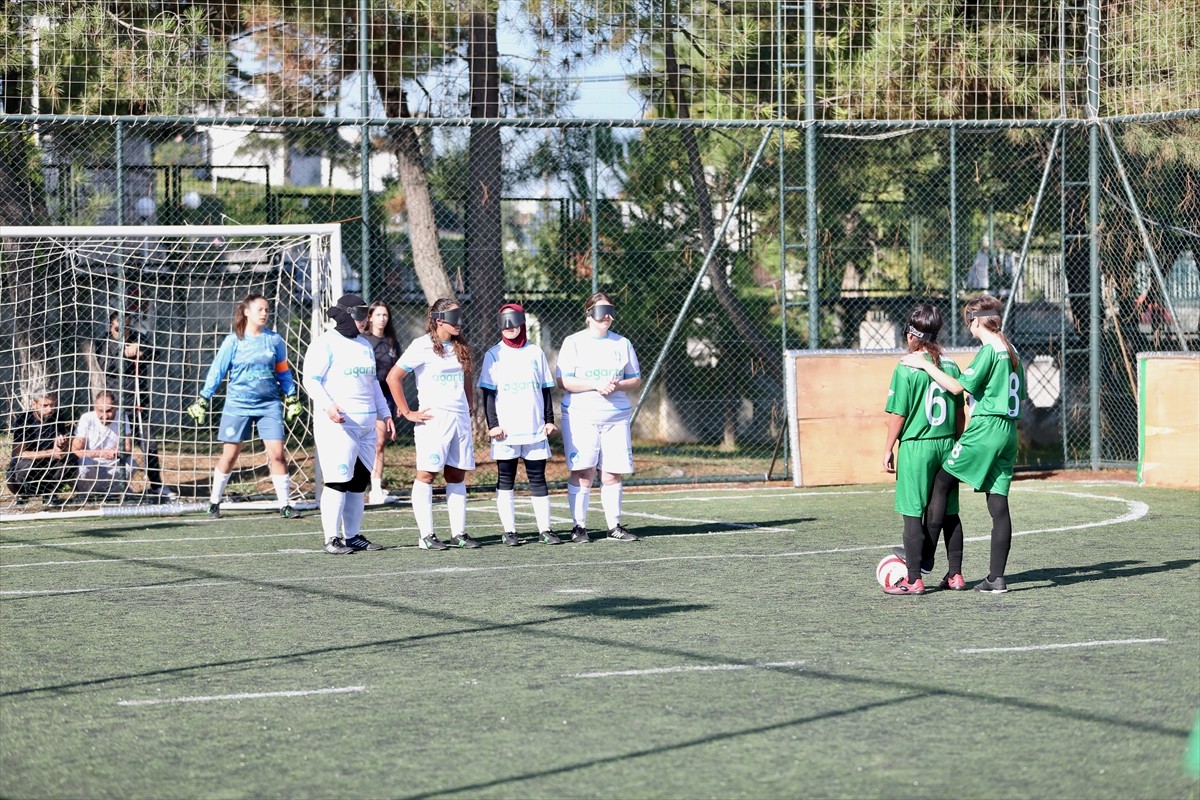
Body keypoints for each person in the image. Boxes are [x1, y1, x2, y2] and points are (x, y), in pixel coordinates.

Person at [901, 294, 1025, 593]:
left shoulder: (989, 350)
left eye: (969, 320)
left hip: (986, 429)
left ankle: (924, 559)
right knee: (998, 505)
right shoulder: (1011, 349)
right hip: (1009, 432)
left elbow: (957, 387)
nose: (968, 326)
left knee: (941, 482)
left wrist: (924, 364)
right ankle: (996, 578)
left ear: (976, 321)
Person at [186, 293, 305, 519]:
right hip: (238, 405)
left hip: (269, 404)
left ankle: (285, 505)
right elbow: (217, 371)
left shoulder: (274, 340)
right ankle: (214, 502)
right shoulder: (233, 341)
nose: (264, 313)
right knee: (230, 456)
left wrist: (291, 396)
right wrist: (203, 398)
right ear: (247, 312)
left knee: (278, 455)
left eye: (267, 310)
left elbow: (283, 371)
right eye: (260, 309)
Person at [882, 304, 967, 595]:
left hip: (917, 446)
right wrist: (957, 443)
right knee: (950, 513)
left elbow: (899, 414)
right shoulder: (951, 366)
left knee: (912, 513)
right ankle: (955, 575)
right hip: (947, 444)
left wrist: (888, 448)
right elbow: (960, 413)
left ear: (910, 335)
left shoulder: (906, 367)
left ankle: (914, 579)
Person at [302, 294, 394, 554]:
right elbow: (311, 380)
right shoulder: (325, 343)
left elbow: (373, 384)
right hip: (339, 426)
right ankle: (332, 538)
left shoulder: (364, 345)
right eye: (361, 315)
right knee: (337, 481)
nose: (365, 320)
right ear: (345, 316)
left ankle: (352, 536)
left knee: (358, 482)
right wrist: (329, 406)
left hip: (367, 426)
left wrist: (385, 414)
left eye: (367, 315)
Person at [386, 298, 477, 551]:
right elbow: (393, 377)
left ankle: (458, 534)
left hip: (459, 419)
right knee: (427, 474)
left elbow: (466, 375)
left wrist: (469, 402)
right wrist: (407, 412)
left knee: (456, 475)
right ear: (438, 320)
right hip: (434, 421)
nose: (459, 322)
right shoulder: (422, 345)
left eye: (460, 316)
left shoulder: (460, 346)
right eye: (453, 317)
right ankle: (426, 536)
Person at [556, 292, 641, 542]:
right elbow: (563, 380)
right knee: (584, 472)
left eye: (610, 312)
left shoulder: (622, 343)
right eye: (601, 312)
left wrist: (617, 385)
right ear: (588, 314)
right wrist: (595, 384)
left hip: (616, 418)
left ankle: (614, 526)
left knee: (612, 473)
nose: (607, 317)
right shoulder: (573, 342)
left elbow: (635, 379)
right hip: (581, 416)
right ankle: (579, 527)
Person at [479, 303, 558, 546]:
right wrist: (493, 424)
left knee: (538, 478)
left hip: (534, 429)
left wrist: (549, 420)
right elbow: (488, 394)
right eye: (504, 323)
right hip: (506, 432)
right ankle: (510, 531)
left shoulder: (535, 352)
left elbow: (545, 389)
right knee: (506, 478)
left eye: (513, 321)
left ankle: (545, 530)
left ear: (522, 323)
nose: (509, 327)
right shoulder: (494, 354)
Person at [96, 311, 176, 500]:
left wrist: (141, 350)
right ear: (111, 327)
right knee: (118, 444)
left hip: (139, 401)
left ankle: (156, 485)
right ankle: (116, 486)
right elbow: (107, 366)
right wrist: (125, 354)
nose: (123, 332)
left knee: (149, 442)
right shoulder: (103, 342)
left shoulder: (139, 338)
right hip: (116, 405)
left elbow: (156, 353)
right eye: (118, 328)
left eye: (127, 328)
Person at [6, 388, 76, 506]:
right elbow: (20, 453)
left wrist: (62, 445)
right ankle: (22, 495)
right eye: (45, 405)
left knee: (70, 460)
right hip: (27, 464)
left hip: (49, 464)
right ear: (34, 404)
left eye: (52, 405)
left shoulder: (57, 416)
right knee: (21, 467)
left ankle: (50, 494)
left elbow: (60, 449)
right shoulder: (23, 420)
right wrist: (51, 452)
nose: (50, 409)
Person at [362, 300, 399, 505]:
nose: (382, 319)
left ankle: (376, 489)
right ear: (370, 317)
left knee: (379, 442)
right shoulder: (363, 341)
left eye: (385, 315)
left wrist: (399, 401)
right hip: (367, 396)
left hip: (387, 397)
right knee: (367, 442)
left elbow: (398, 373)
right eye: (378, 315)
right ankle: (358, 483)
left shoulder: (392, 341)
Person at [71, 391, 134, 501]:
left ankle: (115, 491)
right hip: (93, 465)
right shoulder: (86, 418)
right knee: (85, 464)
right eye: (100, 411)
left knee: (132, 463)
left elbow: (128, 447)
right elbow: (75, 450)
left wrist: (116, 451)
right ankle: (84, 494)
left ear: (116, 407)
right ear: (95, 407)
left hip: (113, 464)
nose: (104, 416)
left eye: (109, 411)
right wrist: (101, 454)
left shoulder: (122, 417)